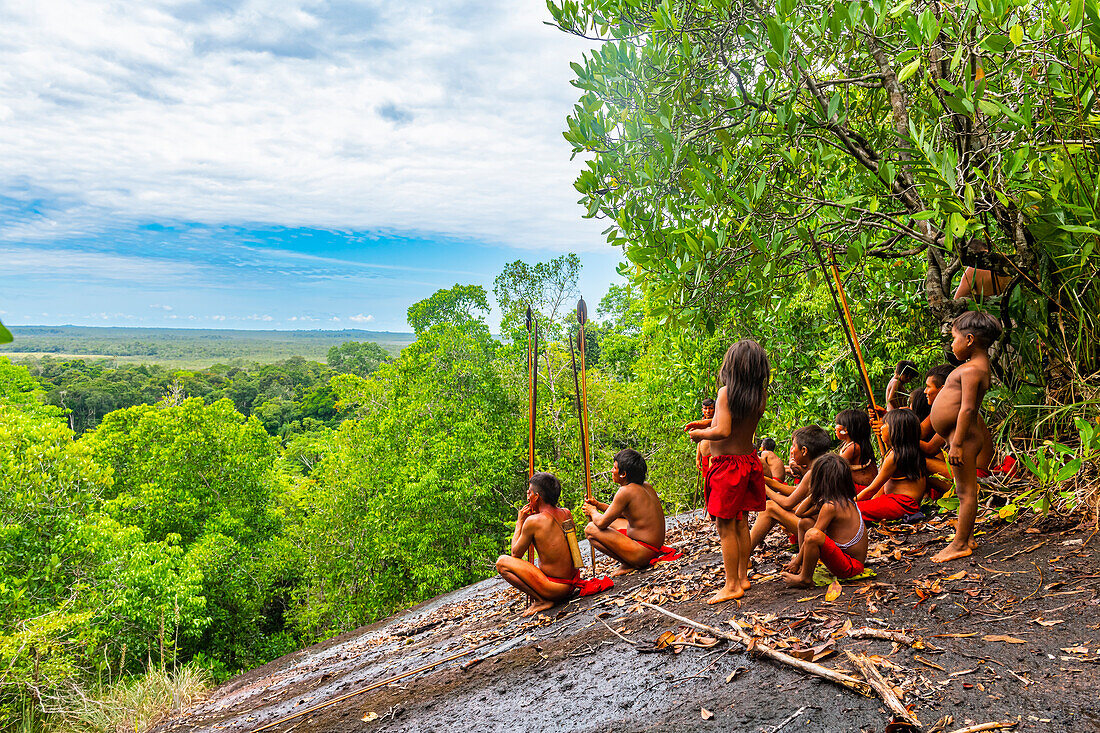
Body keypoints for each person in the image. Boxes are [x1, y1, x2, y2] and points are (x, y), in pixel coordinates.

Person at [687, 340, 770, 604]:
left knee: (725, 525)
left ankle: (732, 584)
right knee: (741, 521)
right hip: (748, 461)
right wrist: (706, 422)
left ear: (732, 366)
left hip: (727, 468)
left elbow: (722, 431)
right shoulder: (758, 395)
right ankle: (743, 576)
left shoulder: (725, 393)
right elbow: (734, 423)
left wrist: (699, 433)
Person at [931, 311, 1003, 563]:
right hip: (959, 436)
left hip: (965, 438)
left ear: (969, 339)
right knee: (964, 490)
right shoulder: (973, 367)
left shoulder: (973, 370)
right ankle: (967, 536)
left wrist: (958, 443)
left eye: (954, 338)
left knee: (965, 492)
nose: (952, 344)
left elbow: (968, 409)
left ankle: (960, 543)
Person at [496, 473, 583, 616]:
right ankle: (544, 596)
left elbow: (515, 554)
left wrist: (520, 522)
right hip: (572, 584)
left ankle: (542, 600)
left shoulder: (533, 521)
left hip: (555, 589)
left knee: (502, 563)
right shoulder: (566, 513)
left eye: (529, 492)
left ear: (536, 497)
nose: (527, 496)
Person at [584, 449, 677, 576]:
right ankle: (631, 560)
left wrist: (592, 511)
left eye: (614, 467)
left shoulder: (625, 491)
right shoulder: (646, 486)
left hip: (643, 552)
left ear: (623, 474)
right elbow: (622, 514)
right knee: (616, 522)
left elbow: (601, 523)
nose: (611, 471)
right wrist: (598, 505)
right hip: (652, 548)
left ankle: (629, 563)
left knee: (590, 529)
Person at [780, 454, 869, 588]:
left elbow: (814, 534)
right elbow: (800, 513)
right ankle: (804, 566)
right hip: (846, 559)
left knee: (813, 534)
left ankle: (804, 578)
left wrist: (795, 562)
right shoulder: (841, 499)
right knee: (805, 524)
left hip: (851, 567)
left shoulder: (831, 506)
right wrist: (815, 494)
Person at [748, 425, 833, 552]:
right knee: (774, 505)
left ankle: (743, 556)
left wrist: (762, 486)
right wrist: (766, 480)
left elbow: (788, 503)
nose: (791, 450)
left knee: (769, 507)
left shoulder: (814, 473)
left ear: (804, 451)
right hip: (825, 529)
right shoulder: (823, 466)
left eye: (793, 446)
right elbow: (796, 491)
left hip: (823, 533)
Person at [856, 409, 927, 522]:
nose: (881, 427)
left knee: (853, 511)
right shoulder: (907, 451)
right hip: (903, 504)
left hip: (902, 504)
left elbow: (872, 489)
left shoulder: (895, 456)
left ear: (895, 431)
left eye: (885, 424)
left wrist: (852, 503)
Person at [835, 409, 878, 487]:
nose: (835, 427)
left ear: (845, 430)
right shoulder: (847, 444)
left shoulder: (854, 447)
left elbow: (836, 467)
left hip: (861, 488)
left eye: (838, 424)